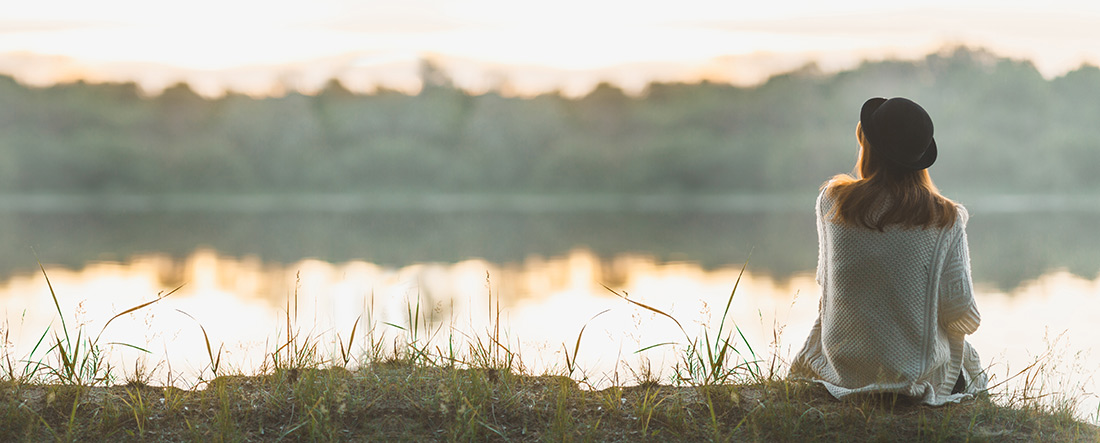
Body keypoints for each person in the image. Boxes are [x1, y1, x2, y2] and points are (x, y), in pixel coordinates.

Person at [790, 97, 987, 405]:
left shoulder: (833, 203)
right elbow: (962, 313)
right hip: (911, 379)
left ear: (868, 148)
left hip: (842, 369)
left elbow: (826, 284)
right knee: (966, 361)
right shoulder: (946, 218)